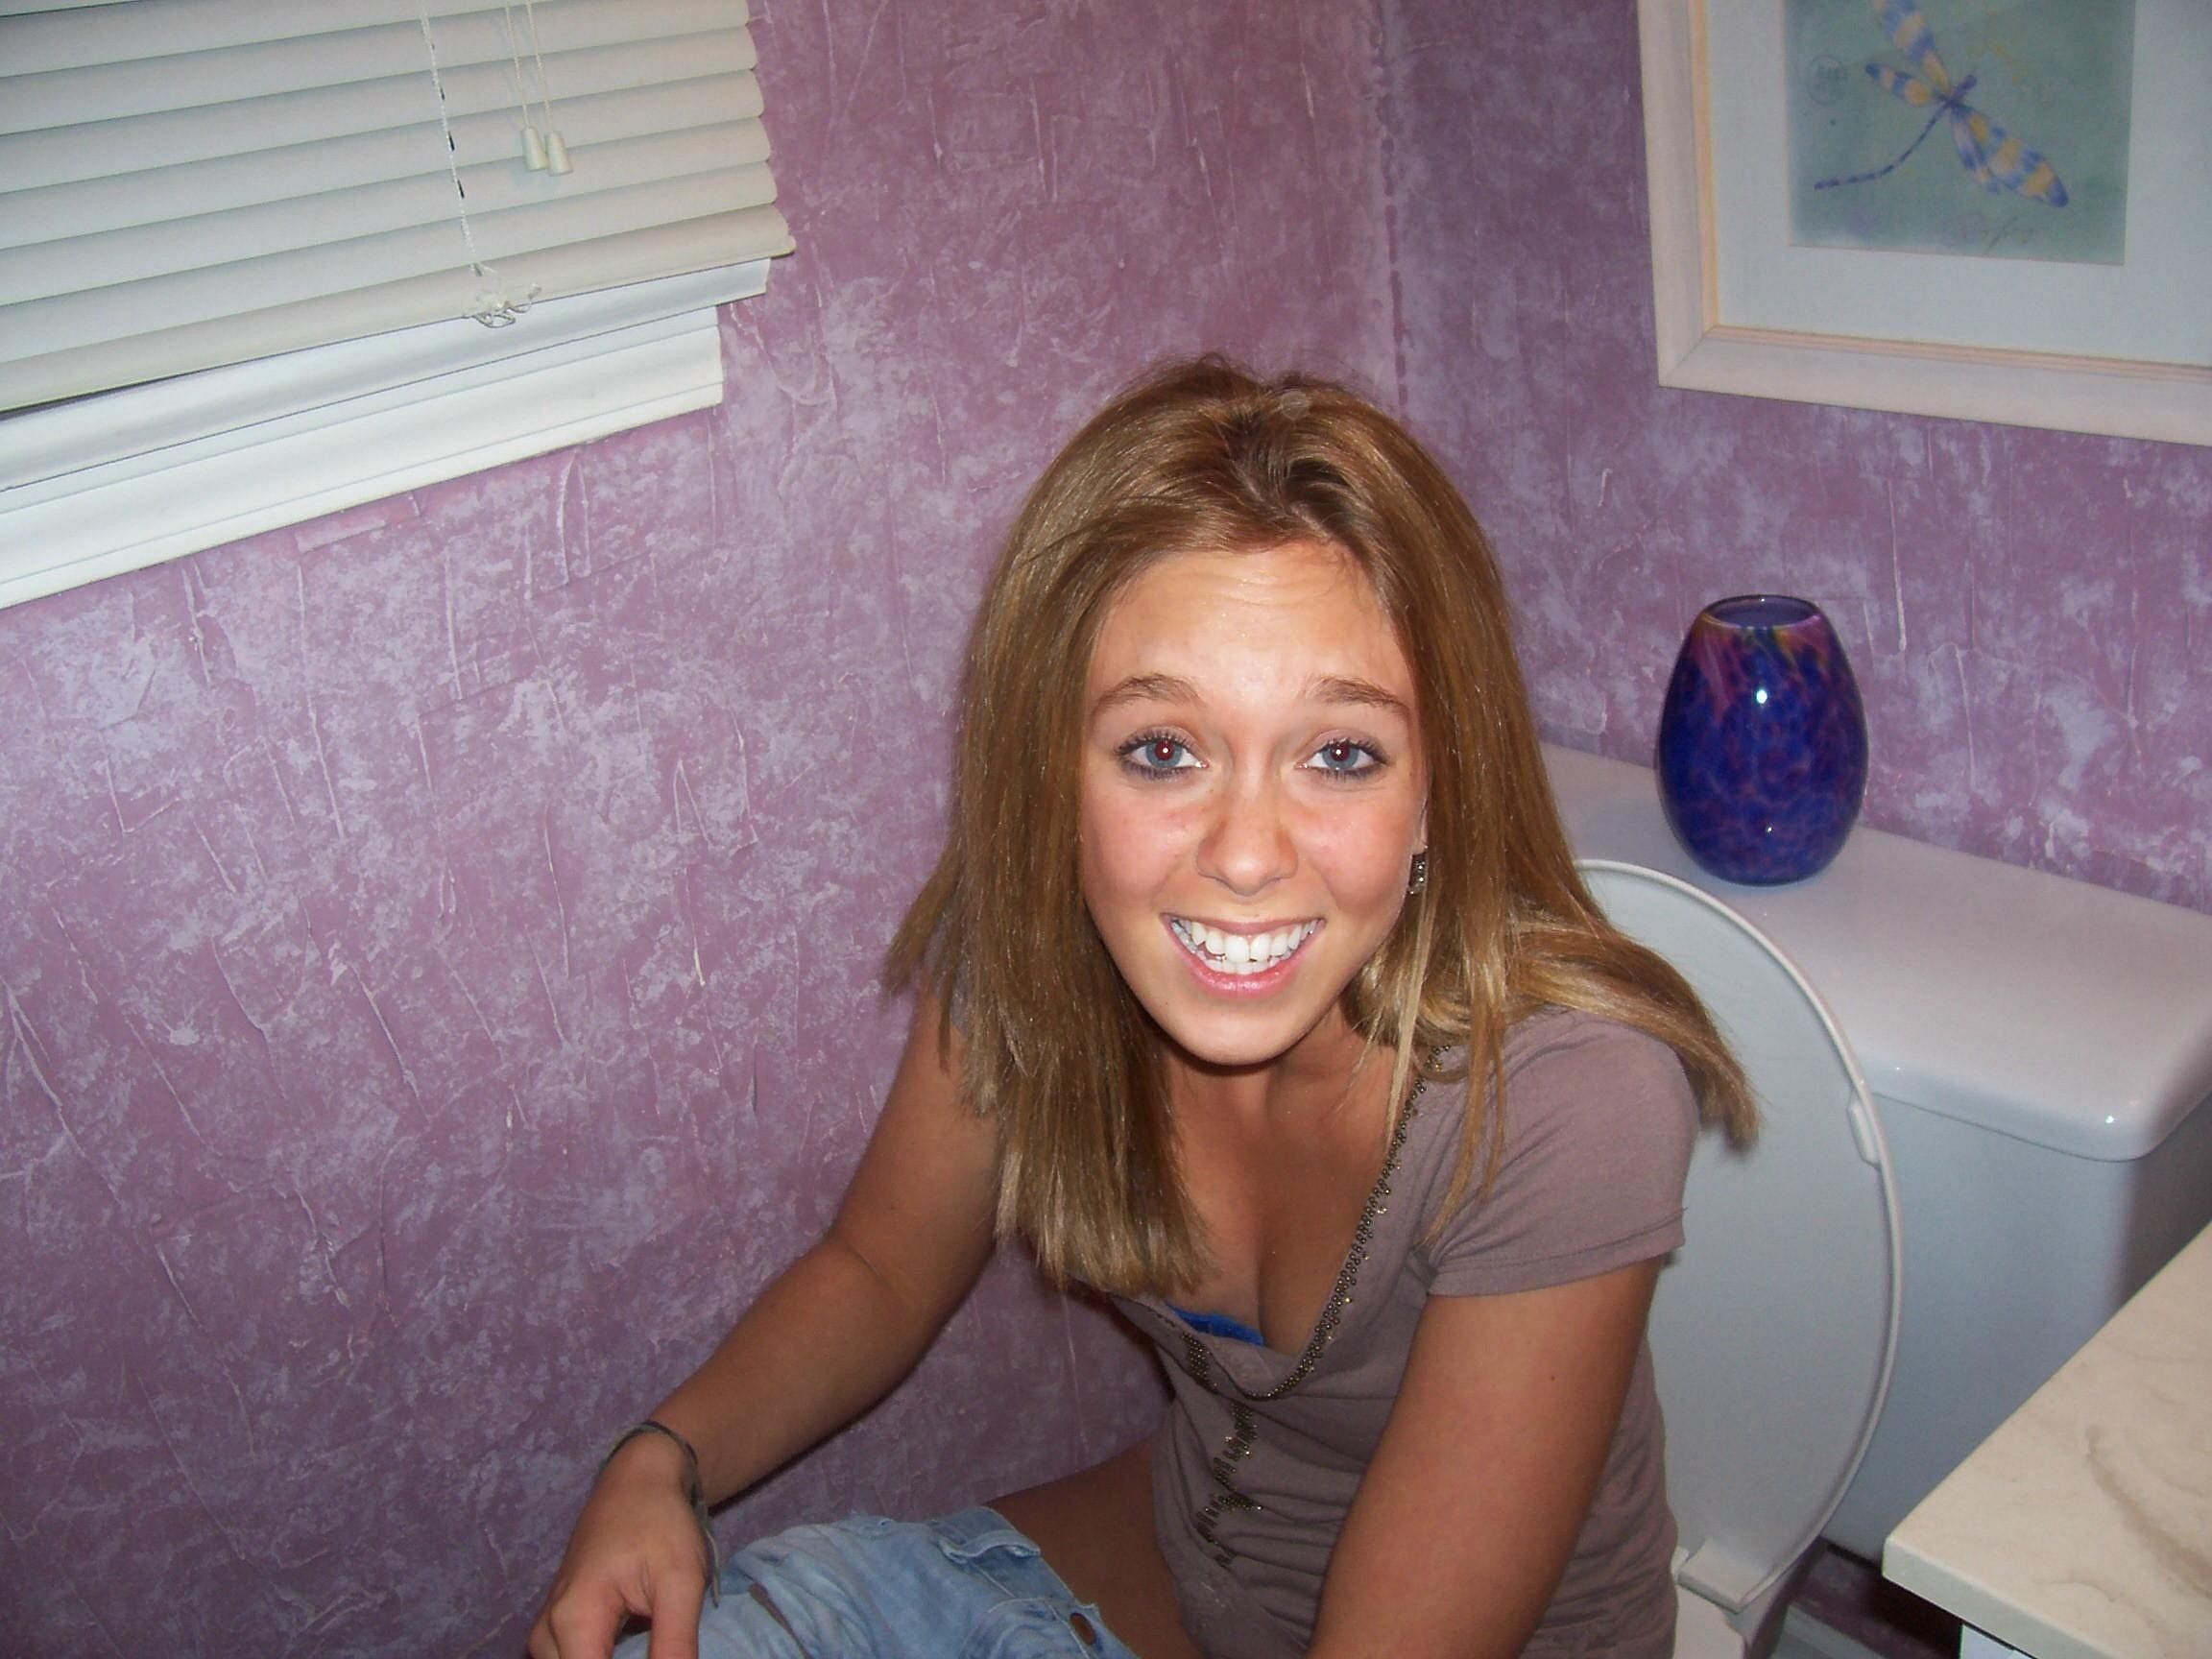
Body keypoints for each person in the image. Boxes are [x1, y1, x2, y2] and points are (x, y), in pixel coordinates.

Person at [527, 357, 1755, 1659]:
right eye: (1163, 751)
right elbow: (880, 1268)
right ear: (1054, 768)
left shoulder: (1564, 1103)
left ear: (1437, 793)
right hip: (1168, 1566)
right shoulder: (1035, 965)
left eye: (1340, 754)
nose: (1246, 854)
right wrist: (662, 1461)